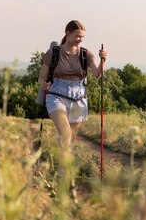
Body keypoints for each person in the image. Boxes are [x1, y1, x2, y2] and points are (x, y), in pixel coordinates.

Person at [37, 20, 107, 195]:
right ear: (67, 33)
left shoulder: (86, 54)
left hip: (79, 97)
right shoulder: (52, 53)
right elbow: (41, 78)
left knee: (69, 140)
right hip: (56, 96)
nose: (80, 40)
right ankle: (63, 174)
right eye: (77, 36)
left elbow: (97, 75)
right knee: (65, 133)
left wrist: (103, 59)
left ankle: (61, 166)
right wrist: (43, 85)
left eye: (82, 37)